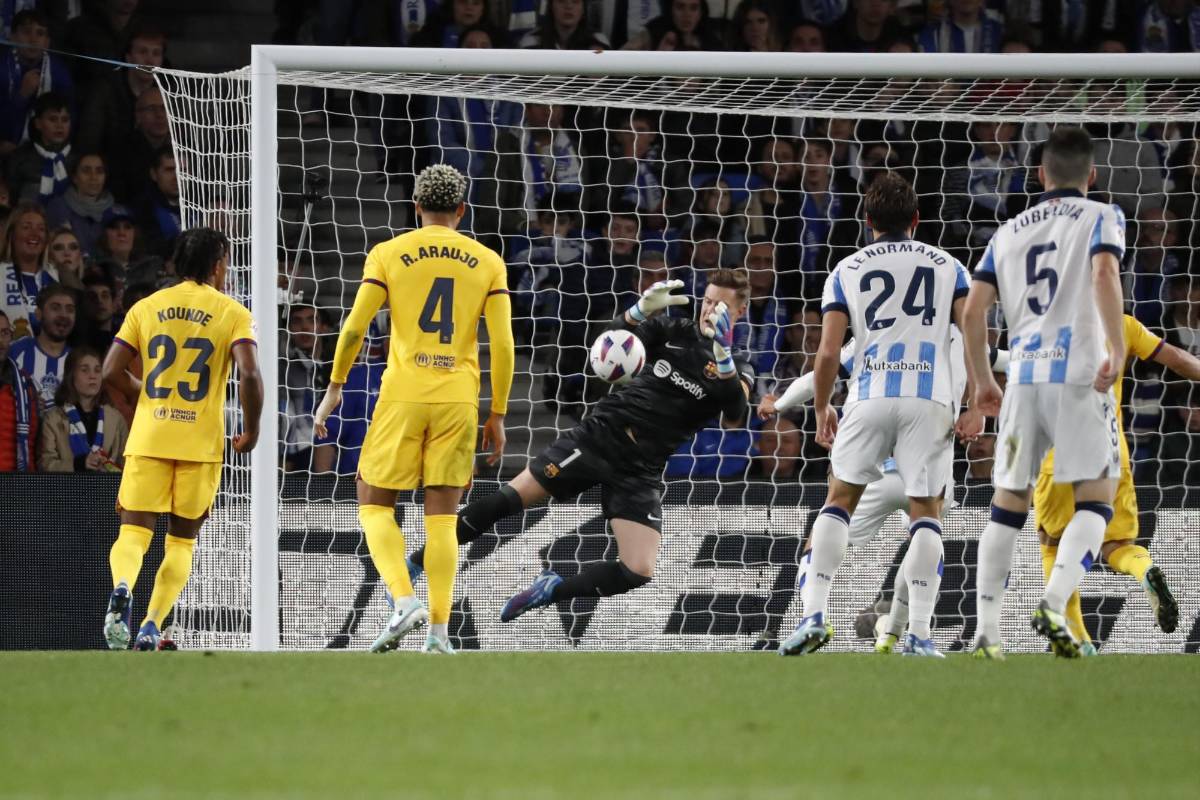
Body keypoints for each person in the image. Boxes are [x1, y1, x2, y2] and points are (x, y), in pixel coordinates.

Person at [404, 269, 754, 622]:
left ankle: (552, 588)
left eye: (721, 306)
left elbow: (736, 414)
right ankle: (415, 564)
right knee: (509, 499)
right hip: (600, 437)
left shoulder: (739, 366)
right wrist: (637, 313)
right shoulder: (674, 332)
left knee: (638, 570)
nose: (710, 310)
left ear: (739, 312)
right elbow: (609, 341)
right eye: (708, 301)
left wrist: (723, 358)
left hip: (641, 469)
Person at [312, 164, 514, 655]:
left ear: (416, 207)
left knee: (372, 499)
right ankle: (440, 634)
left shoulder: (388, 254)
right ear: (462, 210)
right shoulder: (487, 261)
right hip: (458, 398)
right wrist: (498, 413)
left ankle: (403, 600)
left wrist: (336, 385)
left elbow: (355, 327)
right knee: (442, 518)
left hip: (403, 393)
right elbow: (503, 344)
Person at [778, 173, 974, 658]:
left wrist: (823, 406)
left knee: (838, 501)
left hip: (869, 395)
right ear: (916, 220)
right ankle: (920, 635)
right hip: (930, 400)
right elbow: (974, 337)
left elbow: (827, 354)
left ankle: (813, 617)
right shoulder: (951, 267)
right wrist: (980, 400)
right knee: (926, 514)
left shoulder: (846, 269)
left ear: (867, 223)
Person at [962, 126, 1126, 660]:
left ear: (1040, 174)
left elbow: (972, 311)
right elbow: (1103, 271)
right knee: (1097, 502)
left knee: (1007, 505)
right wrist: (1117, 349)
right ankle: (1053, 603)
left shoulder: (1006, 232)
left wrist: (984, 380)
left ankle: (987, 633)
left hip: (1026, 380)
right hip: (1079, 376)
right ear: (1092, 174)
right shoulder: (1103, 216)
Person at [101, 226, 263, 651]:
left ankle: (121, 589)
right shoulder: (232, 312)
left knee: (134, 533)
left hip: (151, 435)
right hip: (200, 443)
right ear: (217, 266)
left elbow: (108, 372)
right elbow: (249, 373)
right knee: (181, 539)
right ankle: (152, 625)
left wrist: (148, 393)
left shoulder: (147, 307)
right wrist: (253, 428)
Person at [1034, 314, 1200, 652]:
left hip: (1059, 450)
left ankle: (1079, 641)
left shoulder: (1045, 324)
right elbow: (1179, 359)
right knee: (1118, 544)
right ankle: (1145, 571)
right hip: (1112, 449)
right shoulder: (1122, 324)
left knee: (1054, 543)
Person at [38, 346, 129, 471]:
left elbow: (128, 466)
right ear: (71, 375)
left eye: (97, 370)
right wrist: (79, 464)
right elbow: (45, 465)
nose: (93, 376)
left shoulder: (116, 419)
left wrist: (108, 466)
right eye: (85, 370)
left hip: (106, 489)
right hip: (66, 489)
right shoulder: (53, 419)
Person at [8, 283, 75, 408]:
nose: (64, 315)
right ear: (38, 314)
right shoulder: (15, 352)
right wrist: (21, 401)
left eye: (70, 309)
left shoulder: (79, 361)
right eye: (55, 308)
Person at [44, 152, 116, 258]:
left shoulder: (115, 211)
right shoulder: (58, 207)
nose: (94, 177)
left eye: (99, 171)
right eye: (86, 171)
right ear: (74, 177)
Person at [0, 203, 54, 339]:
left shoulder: (57, 277)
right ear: (11, 234)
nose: (35, 234)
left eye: (41, 229)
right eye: (26, 227)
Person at [0, 308, 40, 471]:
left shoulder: (25, 385)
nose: (0, 340)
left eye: (4, 333)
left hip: (17, 485)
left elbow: (33, 441)